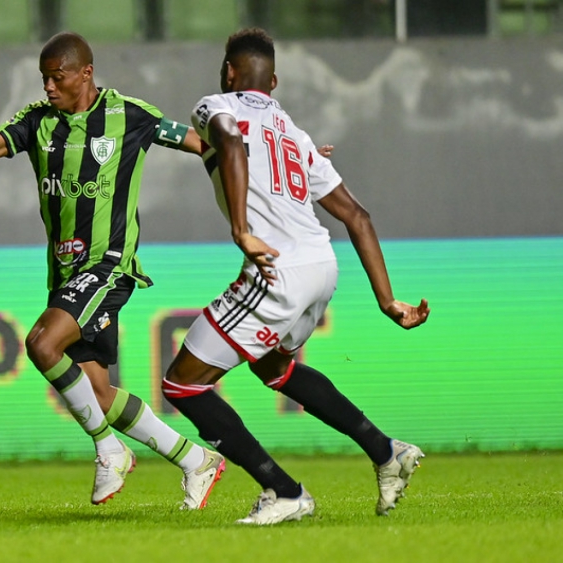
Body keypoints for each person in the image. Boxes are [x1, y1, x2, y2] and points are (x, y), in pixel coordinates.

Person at [162, 28, 431, 525]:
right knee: (273, 367)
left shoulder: (216, 104)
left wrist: (242, 230)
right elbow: (358, 216)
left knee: (182, 386)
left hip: (276, 271)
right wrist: (388, 301)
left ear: (228, 72)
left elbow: (228, 143)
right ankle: (385, 450)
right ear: (275, 81)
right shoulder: (294, 135)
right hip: (322, 268)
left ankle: (283, 491)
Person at [0, 32, 225, 509]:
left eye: (57, 78)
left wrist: (281, 165)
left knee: (41, 343)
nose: (48, 88)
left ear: (85, 73)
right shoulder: (38, 122)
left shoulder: (129, 116)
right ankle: (194, 459)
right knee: (97, 395)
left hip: (109, 265)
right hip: (65, 273)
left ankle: (109, 450)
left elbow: (204, 145)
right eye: (44, 79)